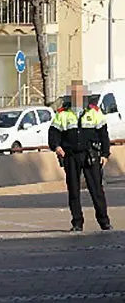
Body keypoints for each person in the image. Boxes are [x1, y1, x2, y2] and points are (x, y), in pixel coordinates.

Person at [48, 80, 112, 232]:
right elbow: (53, 133)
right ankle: (77, 222)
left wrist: (105, 153)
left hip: (90, 155)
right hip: (70, 156)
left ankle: (104, 221)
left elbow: (103, 134)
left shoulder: (94, 112)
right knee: (73, 190)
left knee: (96, 189)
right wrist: (56, 147)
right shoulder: (62, 114)